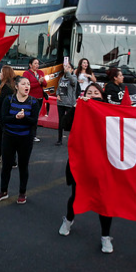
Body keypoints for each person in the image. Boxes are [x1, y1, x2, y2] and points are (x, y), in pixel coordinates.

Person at [58, 83, 116, 253]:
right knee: (76, 196)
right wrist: (77, 107)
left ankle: (106, 236)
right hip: (81, 163)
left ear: (102, 96)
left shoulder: (109, 112)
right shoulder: (80, 109)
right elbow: (64, 124)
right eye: (89, 92)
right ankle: (68, 220)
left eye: (96, 93)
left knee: (105, 200)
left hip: (103, 165)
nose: (92, 95)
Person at [0, 76, 42, 205]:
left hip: (25, 138)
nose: (27, 86)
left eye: (28, 84)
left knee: (23, 166)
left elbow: (34, 122)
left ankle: (22, 193)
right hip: (9, 137)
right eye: (24, 84)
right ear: (16, 86)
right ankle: (3, 191)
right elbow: (4, 118)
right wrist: (16, 117)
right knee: (6, 165)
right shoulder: (9, 99)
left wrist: (23, 118)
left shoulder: (33, 102)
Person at [22, 58, 47, 139]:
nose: (37, 65)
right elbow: (27, 86)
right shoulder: (26, 73)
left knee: (35, 116)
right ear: (30, 65)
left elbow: (45, 84)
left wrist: (42, 81)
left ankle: (33, 134)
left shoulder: (40, 72)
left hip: (39, 98)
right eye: (35, 63)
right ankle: (27, 132)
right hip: (30, 98)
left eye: (38, 63)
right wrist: (38, 82)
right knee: (29, 115)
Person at [55, 61, 78, 146]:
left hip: (69, 103)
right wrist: (57, 95)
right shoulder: (61, 78)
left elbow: (73, 81)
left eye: (69, 67)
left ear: (72, 69)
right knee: (61, 122)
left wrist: (68, 73)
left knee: (70, 122)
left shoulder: (73, 77)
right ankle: (59, 139)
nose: (66, 68)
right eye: (66, 67)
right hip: (61, 102)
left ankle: (72, 140)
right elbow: (58, 88)